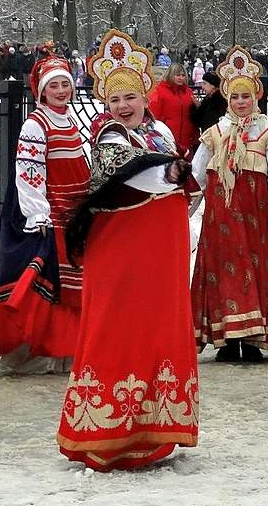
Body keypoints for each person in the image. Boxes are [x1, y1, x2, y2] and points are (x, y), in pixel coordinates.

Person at [57, 29, 198, 472]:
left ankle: (152, 427)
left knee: (158, 328)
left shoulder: (158, 132)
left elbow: (174, 176)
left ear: (144, 96)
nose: (122, 106)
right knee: (119, 328)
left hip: (159, 250)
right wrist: (172, 173)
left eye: (130, 97)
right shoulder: (109, 137)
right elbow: (130, 176)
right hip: (123, 252)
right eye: (114, 99)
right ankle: (107, 430)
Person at [191, 48, 268, 362]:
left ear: (255, 97)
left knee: (257, 272)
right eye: (235, 97)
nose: (241, 102)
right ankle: (228, 340)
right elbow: (196, 178)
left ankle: (256, 338)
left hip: (258, 218)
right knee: (224, 272)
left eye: (246, 96)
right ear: (227, 100)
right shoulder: (214, 134)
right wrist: (180, 207)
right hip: (222, 219)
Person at [0, 56, 90, 374]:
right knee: (53, 286)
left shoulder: (68, 120)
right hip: (52, 211)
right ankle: (44, 349)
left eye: (65, 84)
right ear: (42, 92)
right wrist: (38, 213)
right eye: (53, 86)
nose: (60, 90)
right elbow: (29, 174)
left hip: (74, 214)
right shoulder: (36, 124)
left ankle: (67, 348)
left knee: (73, 286)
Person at [148, 62, 198, 159]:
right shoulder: (159, 91)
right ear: (170, 75)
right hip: (167, 138)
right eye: (177, 75)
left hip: (187, 139)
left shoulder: (188, 92)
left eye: (183, 75)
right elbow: (154, 117)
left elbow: (193, 116)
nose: (181, 78)